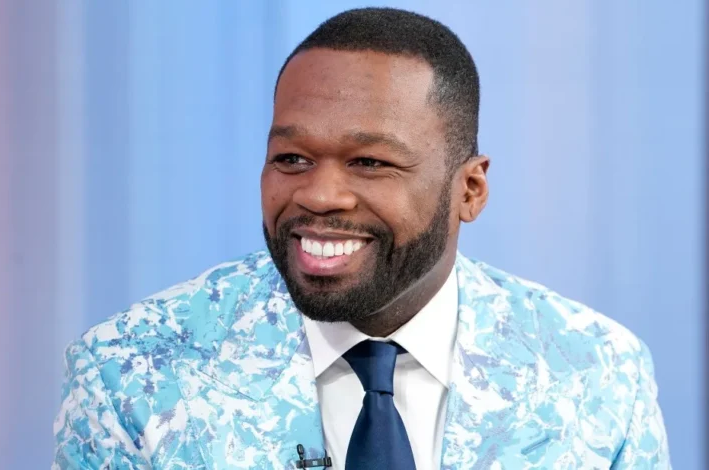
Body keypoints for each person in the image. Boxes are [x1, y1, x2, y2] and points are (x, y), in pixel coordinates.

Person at [53, 7, 670, 470]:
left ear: (470, 190)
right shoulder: (131, 372)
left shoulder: (597, 373)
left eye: (371, 163)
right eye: (292, 158)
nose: (320, 195)